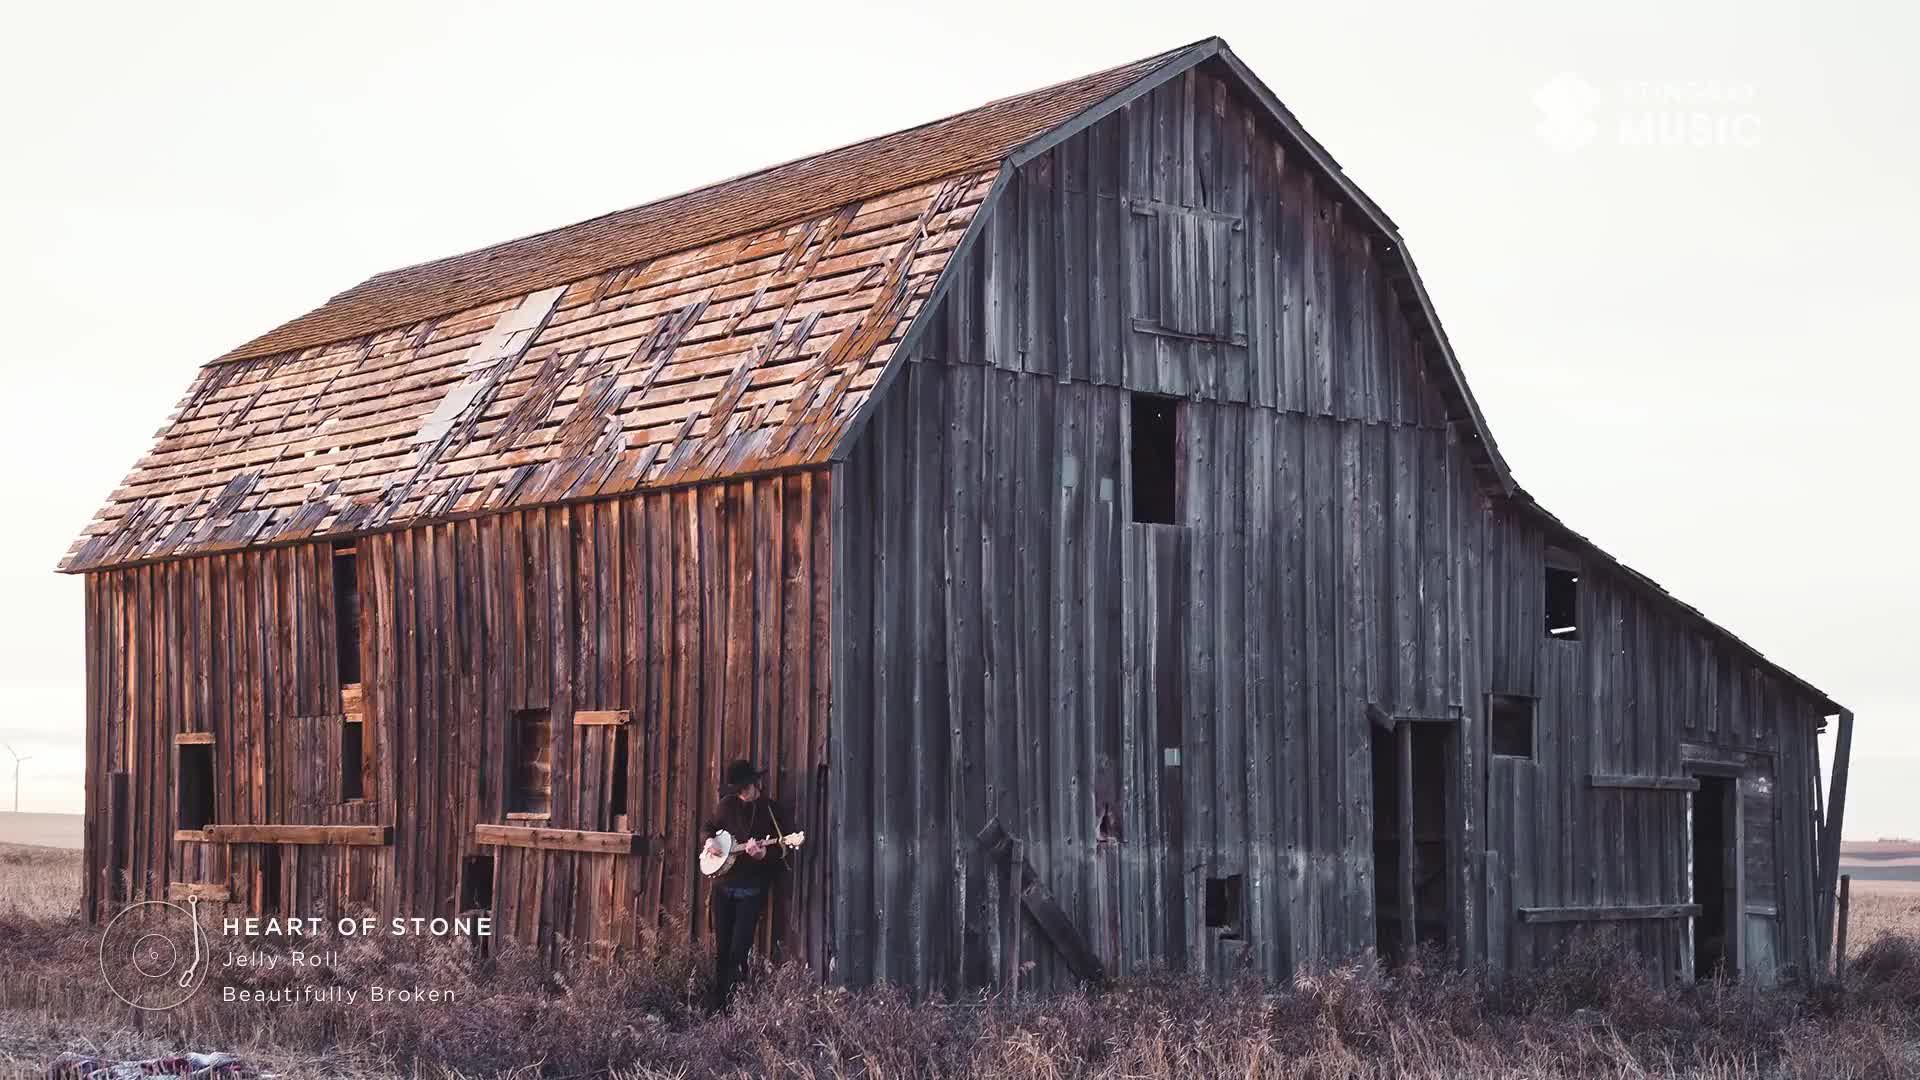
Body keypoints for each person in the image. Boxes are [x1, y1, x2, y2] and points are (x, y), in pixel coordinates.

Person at [701, 758, 796, 1012]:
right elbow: (709, 826)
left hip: (751, 890)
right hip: (723, 888)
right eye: (738, 789)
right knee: (722, 950)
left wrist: (764, 855)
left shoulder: (771, 810)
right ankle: (717, 1006)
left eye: (746, 787)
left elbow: (785, 848)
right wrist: (710, 841)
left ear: (757, 783)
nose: (743, 793)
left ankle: (735, 1010)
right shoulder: (726, 805)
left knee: (738, 950)